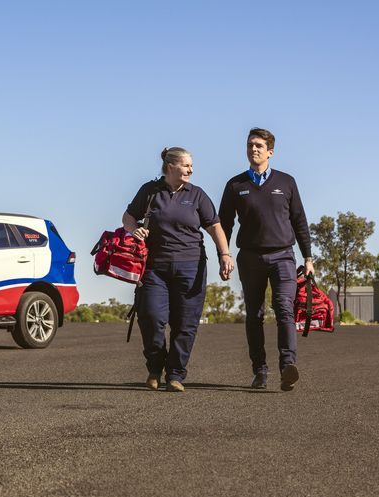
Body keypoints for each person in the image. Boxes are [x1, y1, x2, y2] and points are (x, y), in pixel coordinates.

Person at [122, 147, 234, 392]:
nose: (191, 170)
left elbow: (215, 226)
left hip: (191, 266)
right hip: (154, 267)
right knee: (151, 317)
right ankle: (155, 367)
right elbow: (128, 217)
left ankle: (175, 374)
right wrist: (133, 230)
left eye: (191, 165)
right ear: (170, 167)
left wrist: (224, 255)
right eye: (186, 165)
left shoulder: (197, 195)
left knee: (185, 323)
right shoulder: (150, 191)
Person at [218, 128, 313, 392]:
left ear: (270, 151)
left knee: (284, 307)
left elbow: (299, 221)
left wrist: (308, 257)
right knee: (254, 314)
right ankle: (259, 370)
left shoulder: (287, 182)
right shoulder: (235, 185)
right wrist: (223, 256)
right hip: (250, 257)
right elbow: (223, 224)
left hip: (283, 256)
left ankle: (287, 366)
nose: (253, 149)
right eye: (250, 145)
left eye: (259, 145)